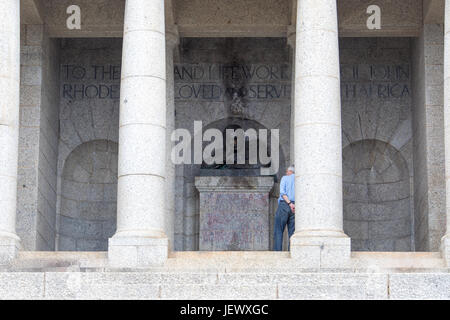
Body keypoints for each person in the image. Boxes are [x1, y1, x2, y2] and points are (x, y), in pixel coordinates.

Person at [273, 165, 295, 251]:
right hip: (295, 206)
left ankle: (278, 252)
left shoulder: (285, 178)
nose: (286, 173)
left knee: (278, 230)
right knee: (292, 232)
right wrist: (293, 205)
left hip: (284, 205)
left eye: (287, 171)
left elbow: (282, 193)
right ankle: (291, 251)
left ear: (290, 171)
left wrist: (289, 203)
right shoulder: (299, 180)